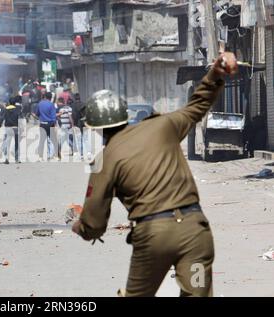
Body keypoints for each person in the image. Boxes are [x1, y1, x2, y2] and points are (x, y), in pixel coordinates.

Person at [72, 52, 238, 297]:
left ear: (95, 128)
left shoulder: (104, 160)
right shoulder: (163, 126)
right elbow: (199, 104)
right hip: (195, 233)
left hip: (153, 239)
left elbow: (94, 225)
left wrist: (79, 226)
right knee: (198, 292)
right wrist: (217, 72)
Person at [34, 92, 57, 161]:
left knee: (42, 141)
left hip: (42, 124)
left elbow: (37, 114)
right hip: (50, 124)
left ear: (45, 97)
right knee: (54, 141)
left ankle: (40, 157)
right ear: (50, 98)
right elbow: (53, 117)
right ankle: (56, 156)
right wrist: (55, 125)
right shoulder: (51, 104)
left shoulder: (40, 103)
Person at [0, 96, 21, 164]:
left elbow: (2, 118)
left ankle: (7, 159)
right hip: (15, 127)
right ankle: (17, 159)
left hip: (8, 128)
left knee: (7, 143)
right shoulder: (17, 109)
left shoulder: (5, 109)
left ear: (9, 102)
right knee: (16, 144)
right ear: (14, 103)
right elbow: (20, 118)